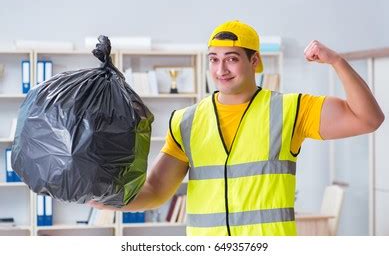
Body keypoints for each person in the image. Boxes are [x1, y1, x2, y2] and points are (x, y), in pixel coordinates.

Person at [89, 20, 384, 236]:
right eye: (214, 60)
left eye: (231, 59)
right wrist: (105, 199)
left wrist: (337, 61)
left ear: (255, 61)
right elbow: (155, 190)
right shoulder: (186, 121)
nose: (221, 70)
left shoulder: (292, 110)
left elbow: (368, 118)